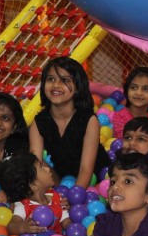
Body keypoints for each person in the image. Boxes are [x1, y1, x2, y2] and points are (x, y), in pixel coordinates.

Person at [29, 56, 110, 188]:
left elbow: (86, 170)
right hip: (62, 178)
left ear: (78, 87)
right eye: (51, 79)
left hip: (98, 180)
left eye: (65, 80)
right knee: (34, 162)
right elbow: (35, 164)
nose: (56, 85)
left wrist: (74, 196)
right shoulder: (39, 123)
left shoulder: (89, 120)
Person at [0, 152, 70, 235]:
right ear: (34, 185)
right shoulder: (23, 206)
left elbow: (66, 222)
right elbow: (11, 227)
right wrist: (23, 227)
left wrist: (73, 231)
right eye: (41, 168)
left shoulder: (57, 198)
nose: (47, 169)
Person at [112, 66, 148, 139]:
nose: (138, 93)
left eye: (146, 89)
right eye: (133, 87)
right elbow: (125, 142)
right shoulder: (120, 117)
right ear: (127, 90)